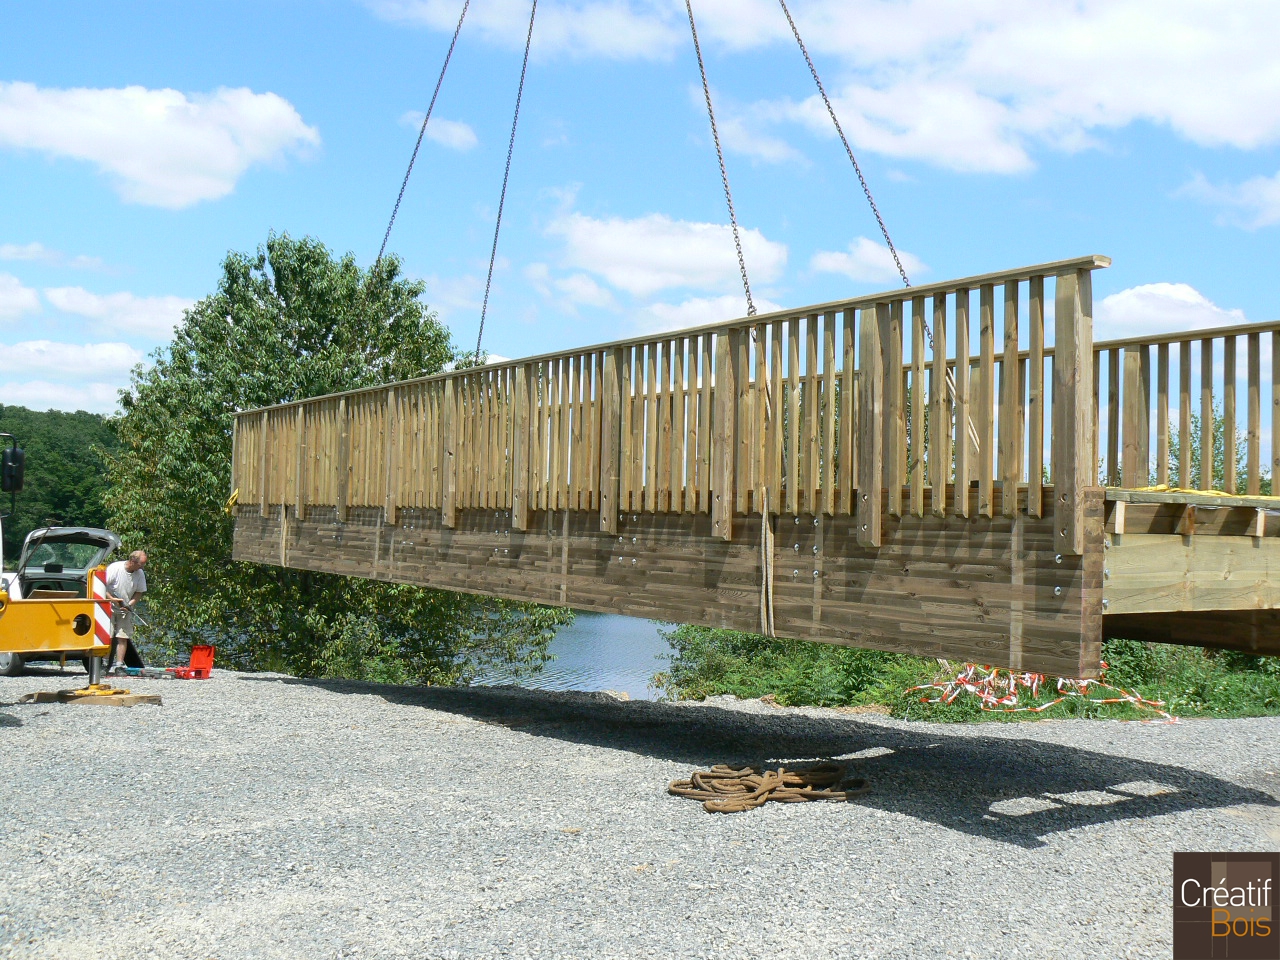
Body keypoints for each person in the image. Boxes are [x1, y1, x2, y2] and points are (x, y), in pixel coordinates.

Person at [105, 550, 147, 671]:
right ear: (133, 561)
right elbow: (102, 585)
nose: (142, 567)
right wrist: (112, 599)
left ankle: (119, 665)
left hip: (125, 609)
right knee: (108, 635)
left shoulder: (140, 573)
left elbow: (139, 592)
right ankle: (104, 663)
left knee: (123, 636)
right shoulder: (115, 568)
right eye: (141, 564)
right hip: (109, 606)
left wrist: (130, 604)